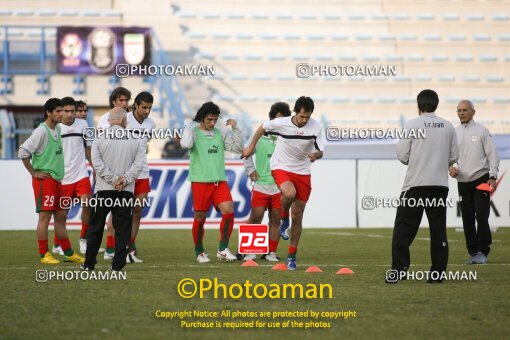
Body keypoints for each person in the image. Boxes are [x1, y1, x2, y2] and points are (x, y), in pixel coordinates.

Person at [242, 96, 325, 270]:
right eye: (302, 116)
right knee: (288, 194)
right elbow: (262, 127)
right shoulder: (282, 123)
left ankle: (291, 256)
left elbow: (320, 151)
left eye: (307, 117)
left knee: (298, 215)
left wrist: (315, 155)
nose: (304, 121)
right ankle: (283, 218)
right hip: (281, 167)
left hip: (303, 171)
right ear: (295, 112)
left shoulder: (316, 127)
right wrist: (250, 147)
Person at [390, 89, 458, 283]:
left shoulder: (412, 124)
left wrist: (418, 158)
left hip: (416, 185)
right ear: (436, 104)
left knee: (404, 230)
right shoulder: (448, 126)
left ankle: (399, 270)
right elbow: (453, 157)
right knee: (438, 230)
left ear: (419, 105)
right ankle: (437, 274)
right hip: (439, 185)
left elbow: (402, 155)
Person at [18, 98, 84, 264]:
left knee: (61, 216)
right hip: (45, 180)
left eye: (63, 110)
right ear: (48, 112)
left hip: (57, 180)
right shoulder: (41, 131)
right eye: (58, 111)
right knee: (44, 217)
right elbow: (23, 151)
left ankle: (68, 252)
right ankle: (44, 254)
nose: (62, 114)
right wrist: (34, 172)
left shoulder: (58, 129)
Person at [82, 107, 146, 271]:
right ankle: (117, 265)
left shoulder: (99, 138)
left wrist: (112, 180)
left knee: (95, 227)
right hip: (125, 191)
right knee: (123, 229)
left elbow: (97, 164)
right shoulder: (136, 140)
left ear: (110, 121)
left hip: (103, 189)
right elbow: (138, 165)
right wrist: (123, 180)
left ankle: (89, 264)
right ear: (124, 121)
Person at [180, 102, 243, 263]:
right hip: (200, 182)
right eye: (209, 120)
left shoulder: (220, 133)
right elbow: (185, 144)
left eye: (215, 119)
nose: (212, 123)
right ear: (202, 118)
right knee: (200, 217)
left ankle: (222, 249)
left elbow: (236, 148)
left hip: (219, 181)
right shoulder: (192, 133)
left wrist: (235, 129)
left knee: (229, 211)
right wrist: (187, 124)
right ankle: (199, 252)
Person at [449, 100, 500, 264]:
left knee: (482, 215)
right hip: (463, 181)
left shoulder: (482, 131)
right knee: (467, 218)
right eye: (459, 111)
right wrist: (450, 167)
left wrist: (493, 176)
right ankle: (473, 252)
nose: (461, 113)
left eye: (464, 110)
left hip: (482, 179)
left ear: (473, 112)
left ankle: (483, 251)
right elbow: (447, 155)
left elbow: (493, 154)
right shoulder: (454, 133)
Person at [242, 102, 292, 262]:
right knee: (256, 216)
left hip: (279, 186)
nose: (279, 121)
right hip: (261, 183)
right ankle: (249, 250)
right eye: (276, 118)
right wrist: (250, 170)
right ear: (271, 118)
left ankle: (271, 252)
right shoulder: (260, 135)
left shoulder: (287, 138)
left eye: (282, 118)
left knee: (276, 219)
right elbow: (246, 151)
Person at [51, 97, 94, 255]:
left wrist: (95, 167)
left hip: (81, 174)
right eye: (66, 111)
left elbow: (89, 149)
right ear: (61, 111)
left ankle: (84, 239)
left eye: (72, 111)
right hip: (63, 178)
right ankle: (57, 244)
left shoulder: (84, 125)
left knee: (87, 204)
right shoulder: (54, 128)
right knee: (62, 214)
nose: (70, 114)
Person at [97, 87, 132, 259]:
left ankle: (123, 248)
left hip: (128, 173)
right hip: (109, 175)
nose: (125, 103)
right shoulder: (105, 119)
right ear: (113, 101)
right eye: (121, 100)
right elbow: (102, 148)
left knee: (125, 214)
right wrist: (113, 177)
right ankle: (110, 248)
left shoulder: (130, 118)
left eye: (127, 100)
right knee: (110, 213)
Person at [124, 91, 156, 263]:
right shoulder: (124, 120)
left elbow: (145, 145)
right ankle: (115, 247)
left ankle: (130, 248)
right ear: (136, 105)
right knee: (121, 212)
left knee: (137, 211)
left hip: (142, 172)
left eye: (149, 108)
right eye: (144, 107)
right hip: (125, 172)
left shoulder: (151, 124)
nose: (147, 111)